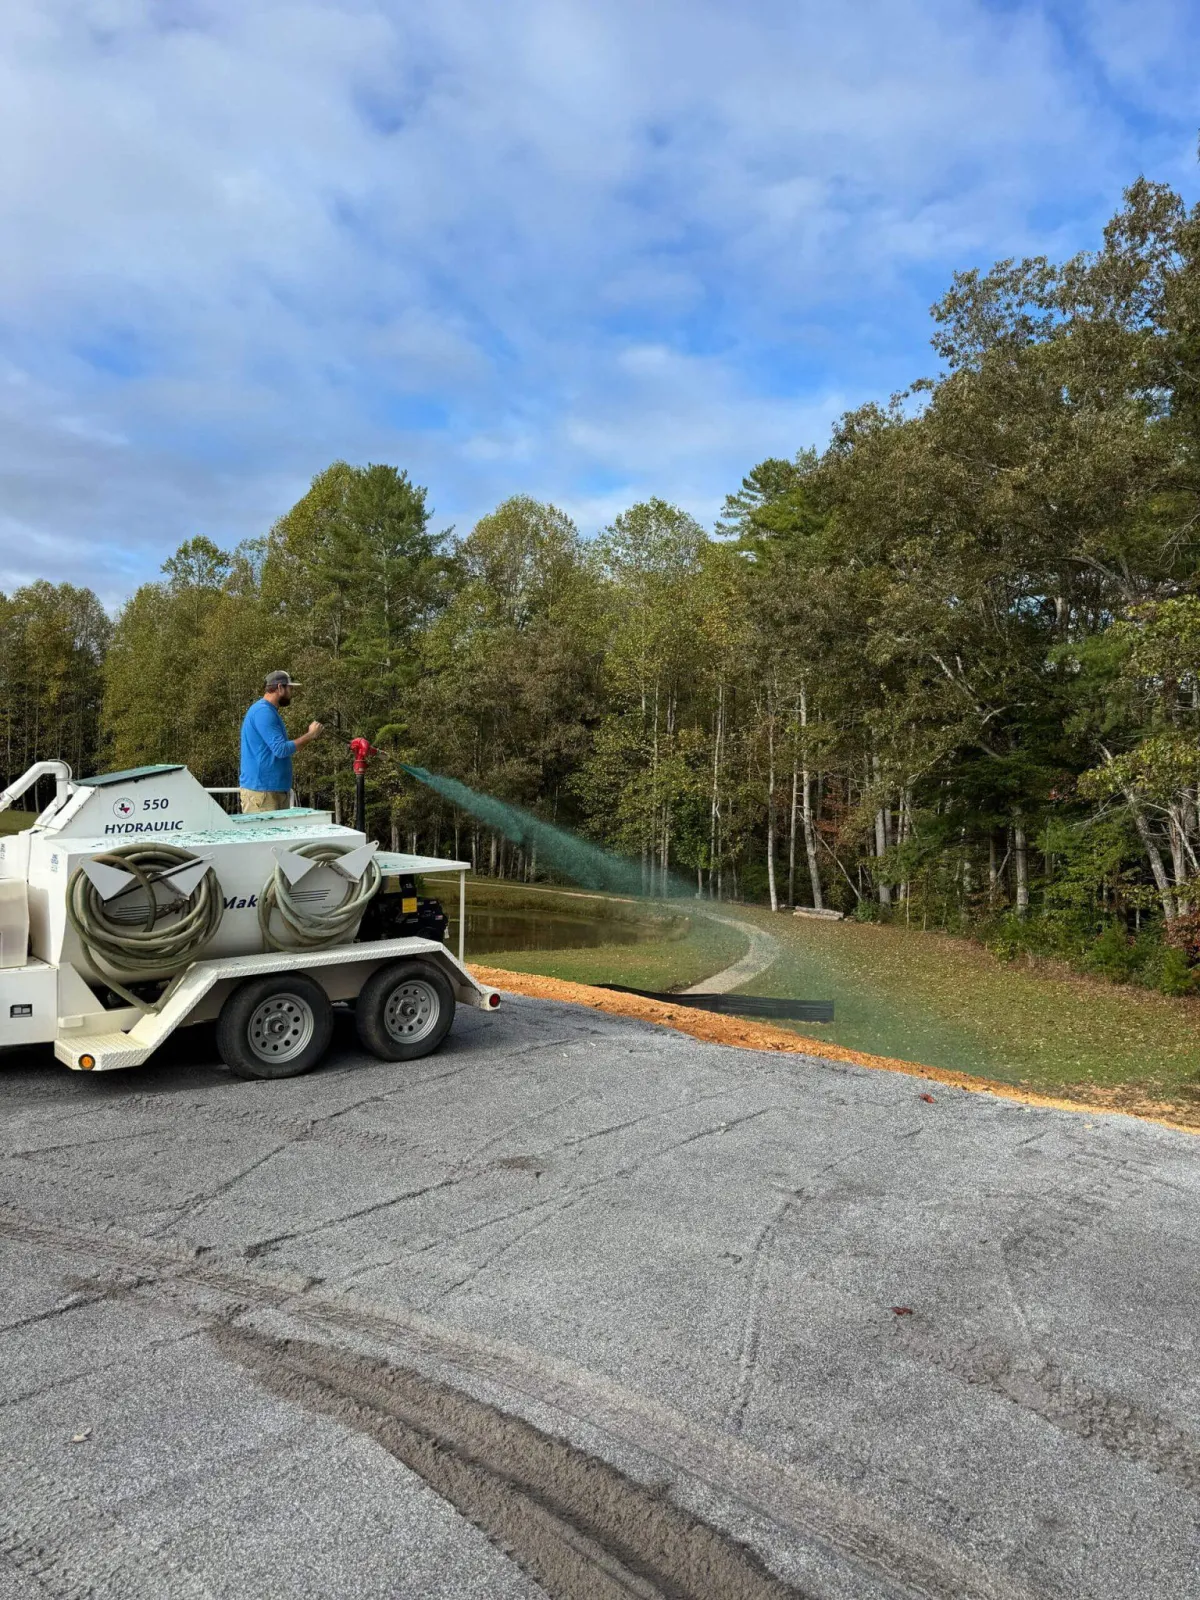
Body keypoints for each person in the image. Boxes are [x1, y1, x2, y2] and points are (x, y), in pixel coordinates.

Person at [239, 671, 322, 813]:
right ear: (279, 687)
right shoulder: (263, 712)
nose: (292, 693)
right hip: (263, 792)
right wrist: (310, 735)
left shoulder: (269, 711)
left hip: (272, 791)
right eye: (290, 688)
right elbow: (281, 749)